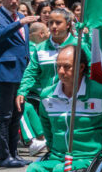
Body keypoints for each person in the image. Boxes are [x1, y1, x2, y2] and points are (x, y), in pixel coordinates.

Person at [17, 8, 83, 155]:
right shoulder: (40, 49)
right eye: (50, 22)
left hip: (73, 100)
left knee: (74, 136)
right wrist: (22, 91)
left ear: (68, 25)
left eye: (58, 23)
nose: (53, 26)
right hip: (49, 101)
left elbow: (89, 70)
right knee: (52, 139)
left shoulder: (79, 45)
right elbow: (31, 72)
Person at [0, 0, 38, 168]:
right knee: (5, 115)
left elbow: (24, 45)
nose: (14, 1)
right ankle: (4, 155)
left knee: (18, 114)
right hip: (4, 73)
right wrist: (18, 24)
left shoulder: (22, 17)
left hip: (22, 72)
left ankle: (14, 153)